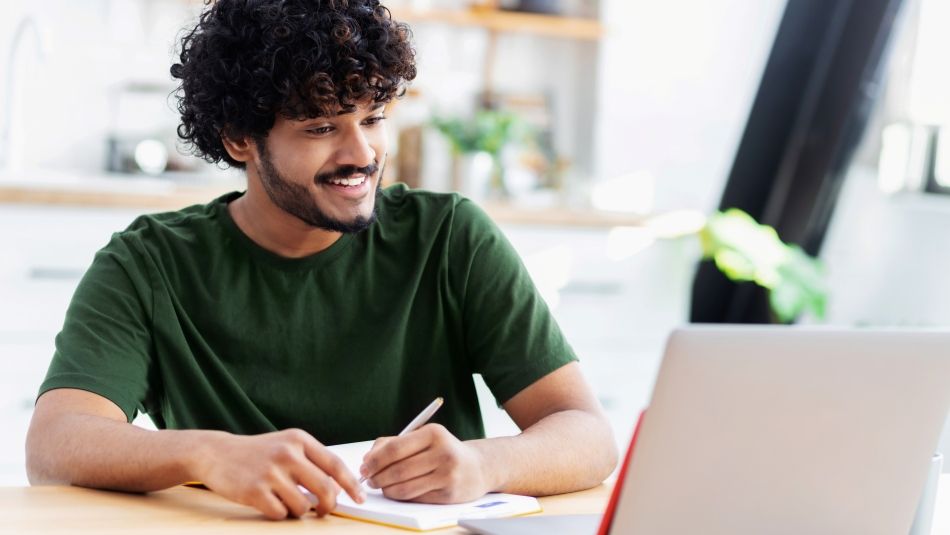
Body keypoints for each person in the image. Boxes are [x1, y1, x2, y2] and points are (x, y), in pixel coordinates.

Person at [25, 0, 618, 521]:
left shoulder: (449, 238)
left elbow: (588, 435)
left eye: (373, 118)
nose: (362, 154)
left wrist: (485, 464)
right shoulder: (148, 264)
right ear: (239, 139)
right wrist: (206, 453)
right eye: (321, 128)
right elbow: (55, 444)